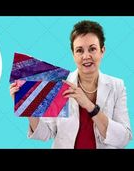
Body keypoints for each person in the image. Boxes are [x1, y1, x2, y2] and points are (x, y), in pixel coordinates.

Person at [9, 20, 132, 149]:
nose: (86, 56)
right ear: (73, 54)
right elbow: (46, 134)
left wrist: (90, 106)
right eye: (79, 50)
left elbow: (124, 138)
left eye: (92, 49)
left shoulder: (117, 86)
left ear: (102, 51)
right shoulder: (60, 83)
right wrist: (27, 105)